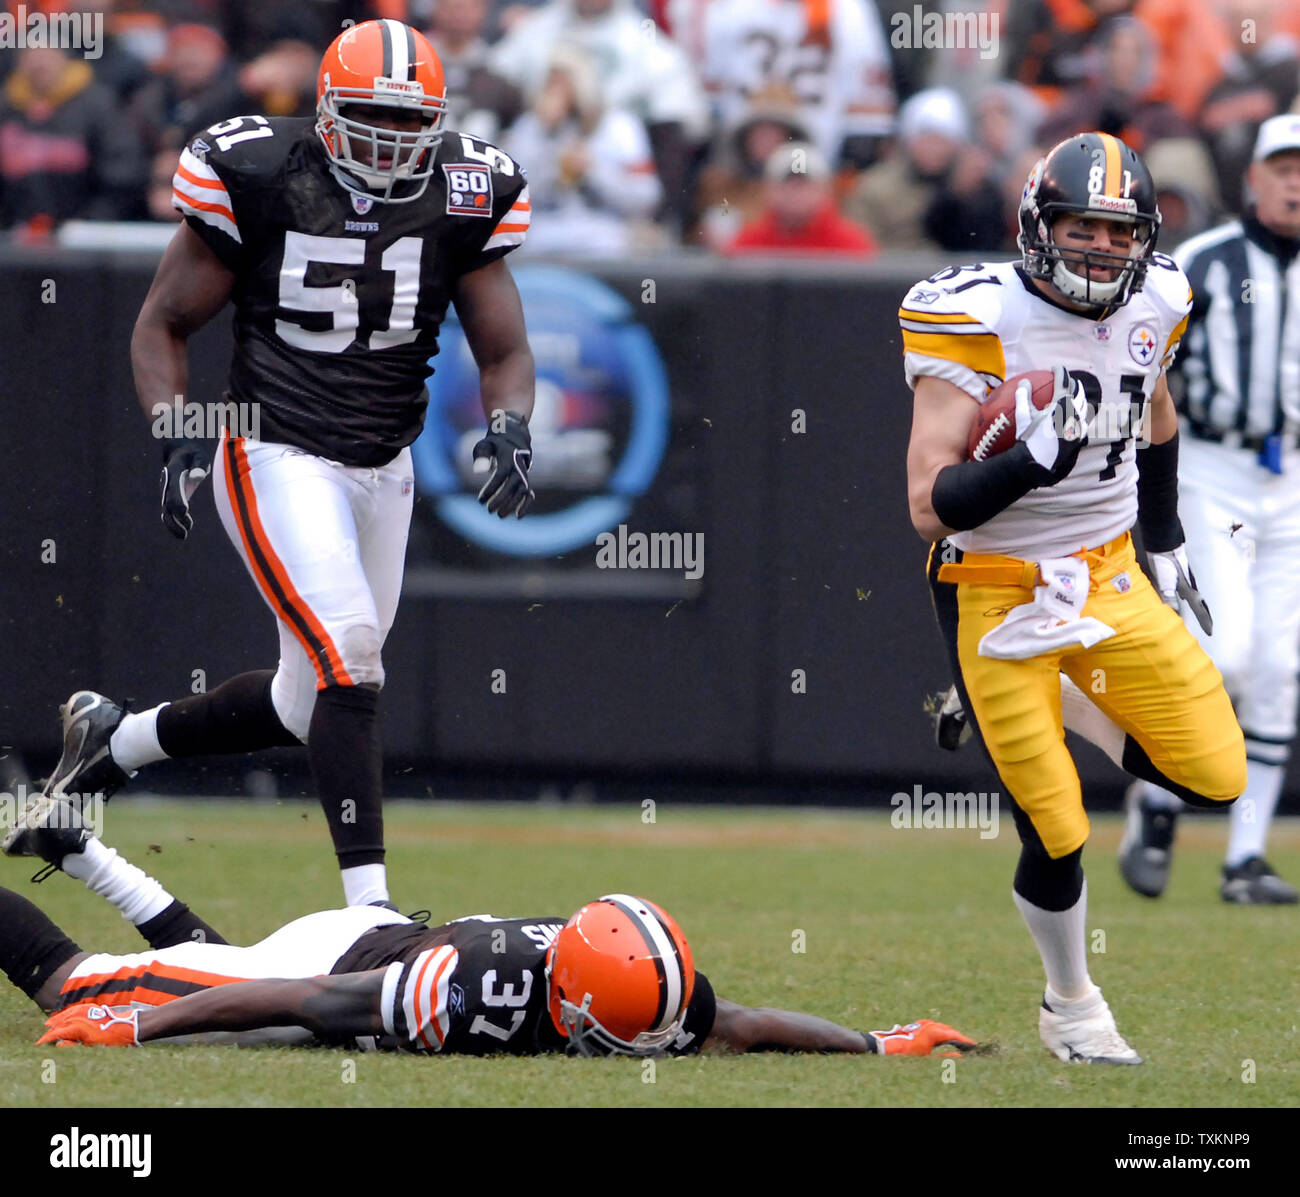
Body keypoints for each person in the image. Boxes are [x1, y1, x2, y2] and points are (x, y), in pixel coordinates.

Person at [9, 19, 538, 911]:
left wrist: (512, 426)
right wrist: (177, 431)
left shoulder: (464, 188)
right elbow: (163, 324)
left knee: (309, 702)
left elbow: (504, 349)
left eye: (412, 122)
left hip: (386, 461)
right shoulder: (260, 172)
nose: (392, 138)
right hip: (275, 446)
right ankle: (368, 912)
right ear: (326, 109)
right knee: (351, 665)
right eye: (373, 115)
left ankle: (116, 738)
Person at [901, 131, 1246, 1064]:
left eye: (1117, 230)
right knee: (1058, 823)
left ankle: (1049, 698)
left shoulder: (1164, 293)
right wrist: (1030, 460)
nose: (1101, 246)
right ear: (1037, 225)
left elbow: (1157, 404)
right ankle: (1073, 1006)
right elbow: (927, 509)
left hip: (1106, 573)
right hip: (992, 586)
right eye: (1081, 226)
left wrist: (1165, 538)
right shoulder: (971, 313)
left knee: (1219, 773)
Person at [3, 795, 976, 1059]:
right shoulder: (475, 996)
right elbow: (306, 997)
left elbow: (743, 1023)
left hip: (378, 939)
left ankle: (79, 850)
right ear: (572, 1002)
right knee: (82, 984)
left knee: (214, 962)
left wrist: (878, 1046)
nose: (658, 1048)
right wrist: (136, 1025)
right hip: (339, 960)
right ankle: (71, 893)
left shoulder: (637, 979)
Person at [1118, 113, 1300, 904]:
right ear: (1252, 179)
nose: (1296, 180)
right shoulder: (1201, 263)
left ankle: (1245, 858)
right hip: (1216, 468)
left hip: (1291, 473)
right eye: (1283, 166)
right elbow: (1140, 364)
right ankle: (1158, 796)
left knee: (1280, 669)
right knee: (1224, 653)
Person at [726, 141, 875, 256]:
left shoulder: (852, 244)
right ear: (769, 190)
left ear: (824, 190)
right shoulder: (747, 243)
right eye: (787, 183)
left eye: (803, 184)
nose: (795, 194)